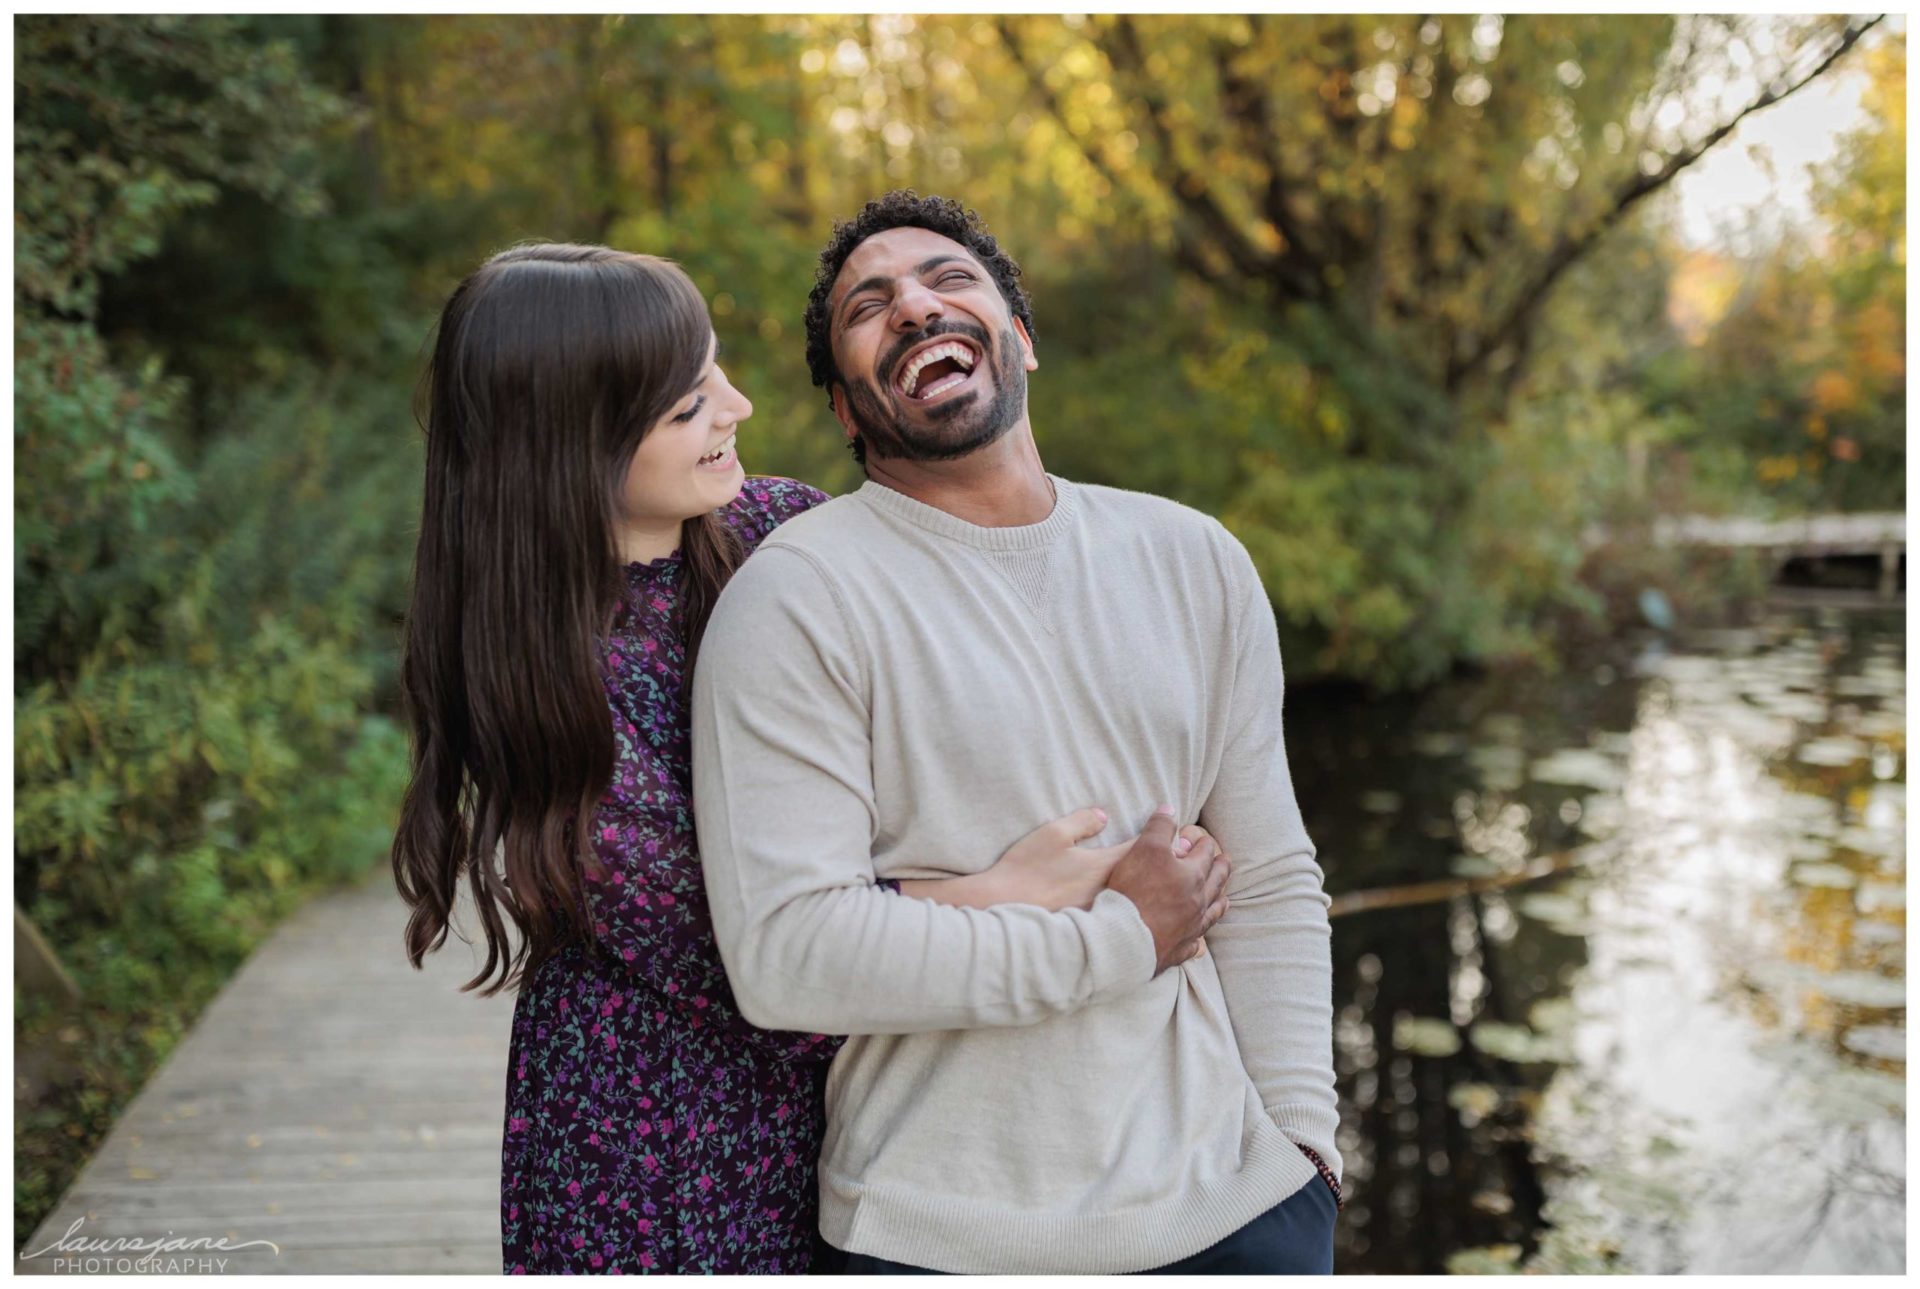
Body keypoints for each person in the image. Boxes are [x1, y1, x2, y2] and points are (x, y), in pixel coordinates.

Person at [387, 243, 1231, 1274]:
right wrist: (999, 891)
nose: (737, 405)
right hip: (664, 1138)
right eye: (689, 404)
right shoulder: (544, 689)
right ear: (573, 442)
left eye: (718, 370)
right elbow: (741, 945)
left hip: (868, 1103)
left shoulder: (779, 532)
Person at [691, 192, 1343, 1275]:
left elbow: (1270, 878)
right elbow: (790, 954)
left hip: (1236, 1207)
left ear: (1020, 340)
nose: (911, 304)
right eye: (870, 304)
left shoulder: (1195, 557)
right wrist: (1121, 939)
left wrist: (1306, 1146)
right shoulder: (798, 594)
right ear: (849, 413)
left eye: (947, 278)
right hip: (939, 1232)